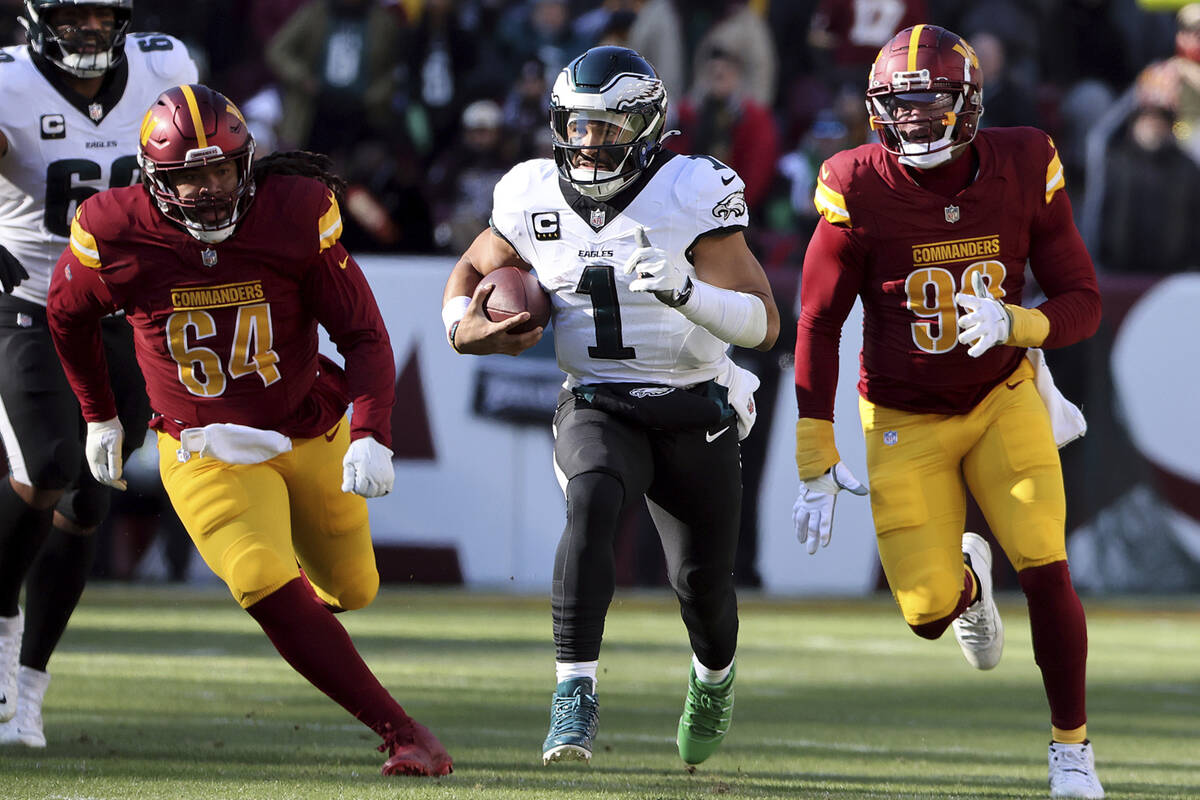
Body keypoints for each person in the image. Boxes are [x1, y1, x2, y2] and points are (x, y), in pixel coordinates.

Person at [45, 84, 452, 777]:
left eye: (221, 170)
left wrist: (372, 430)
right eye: (188, 176)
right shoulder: (113, 229)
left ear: (248, 162)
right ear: (152, 181)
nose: (208, 190)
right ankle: (403, 732)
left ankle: (308, 608)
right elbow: (67, 316)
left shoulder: (293, 211)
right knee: (261, 578)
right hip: (204, 445)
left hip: (307, 426)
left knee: (353, 589)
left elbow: (362, 332)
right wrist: (98, 413)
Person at [441, 45, 780, 767]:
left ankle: (713, 678)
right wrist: (461, 326)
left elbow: (763, 321)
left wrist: (690, 294)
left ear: (649, 126)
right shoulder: (531, 191)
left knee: (703, 590)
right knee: (591, 496)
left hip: (693, 403)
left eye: (607, 127)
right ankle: (573, 691)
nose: (588, 144)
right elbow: (474, 266)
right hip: (599, 400)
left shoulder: (692, 190)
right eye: (576, 126)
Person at [792, 26, 1104, 799]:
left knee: (1047, 563)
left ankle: (1073, 753)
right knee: (926, 612)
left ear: (969, 104)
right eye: (900, 108)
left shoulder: (1026, 158)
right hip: (902, 414)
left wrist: (1019, 324)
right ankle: (968, 583)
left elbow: (1083, 301)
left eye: (932, 106)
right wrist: (813, 452)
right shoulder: (855, 181)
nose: (915, 123)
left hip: (1002, 396)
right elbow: (817, 320)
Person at [0, 0, 197, 748]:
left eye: (100, 15)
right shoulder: (11, 84)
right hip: (27, 293)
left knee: (89, 494)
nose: (88, 30)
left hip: (122, 306)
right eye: (73, 15)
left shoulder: (164, 67)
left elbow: (200, 159)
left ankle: (32, 688)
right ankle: (0, 620)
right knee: (48, 464)